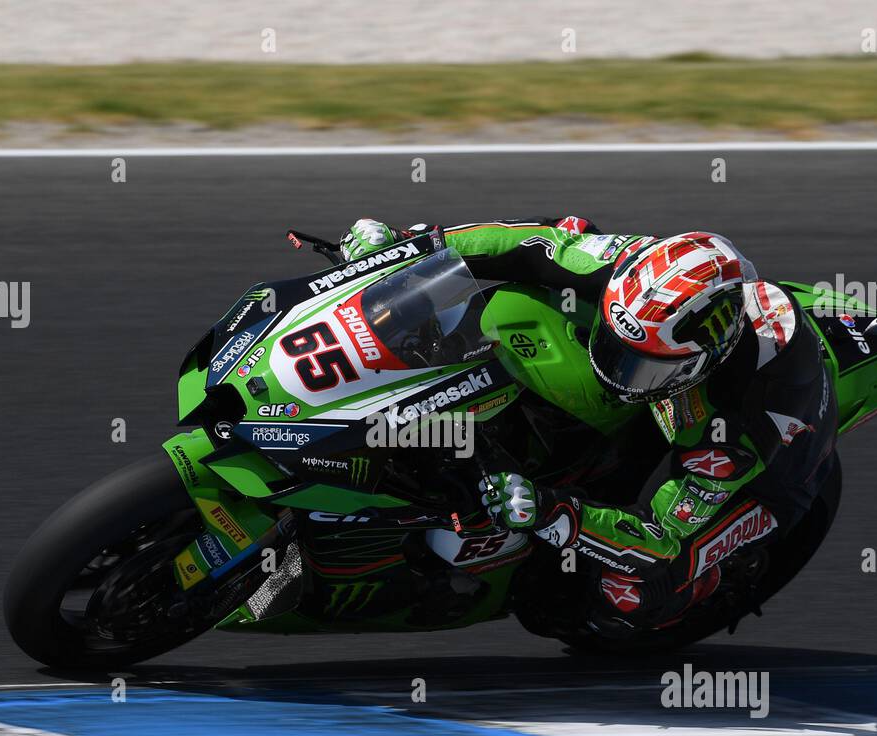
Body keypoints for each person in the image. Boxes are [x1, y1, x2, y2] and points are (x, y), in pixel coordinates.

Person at [338, 217, 837, 638]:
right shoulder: (633, 268)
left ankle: (696, 590)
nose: (615, 369)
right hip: (680, 373)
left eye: (640, 366)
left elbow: (662, 537)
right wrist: (410, 247)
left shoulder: (738, 426)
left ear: (703, 360)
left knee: (636, 591)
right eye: (616, 346)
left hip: (772, 467)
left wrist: (552, 510)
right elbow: (530, 244)